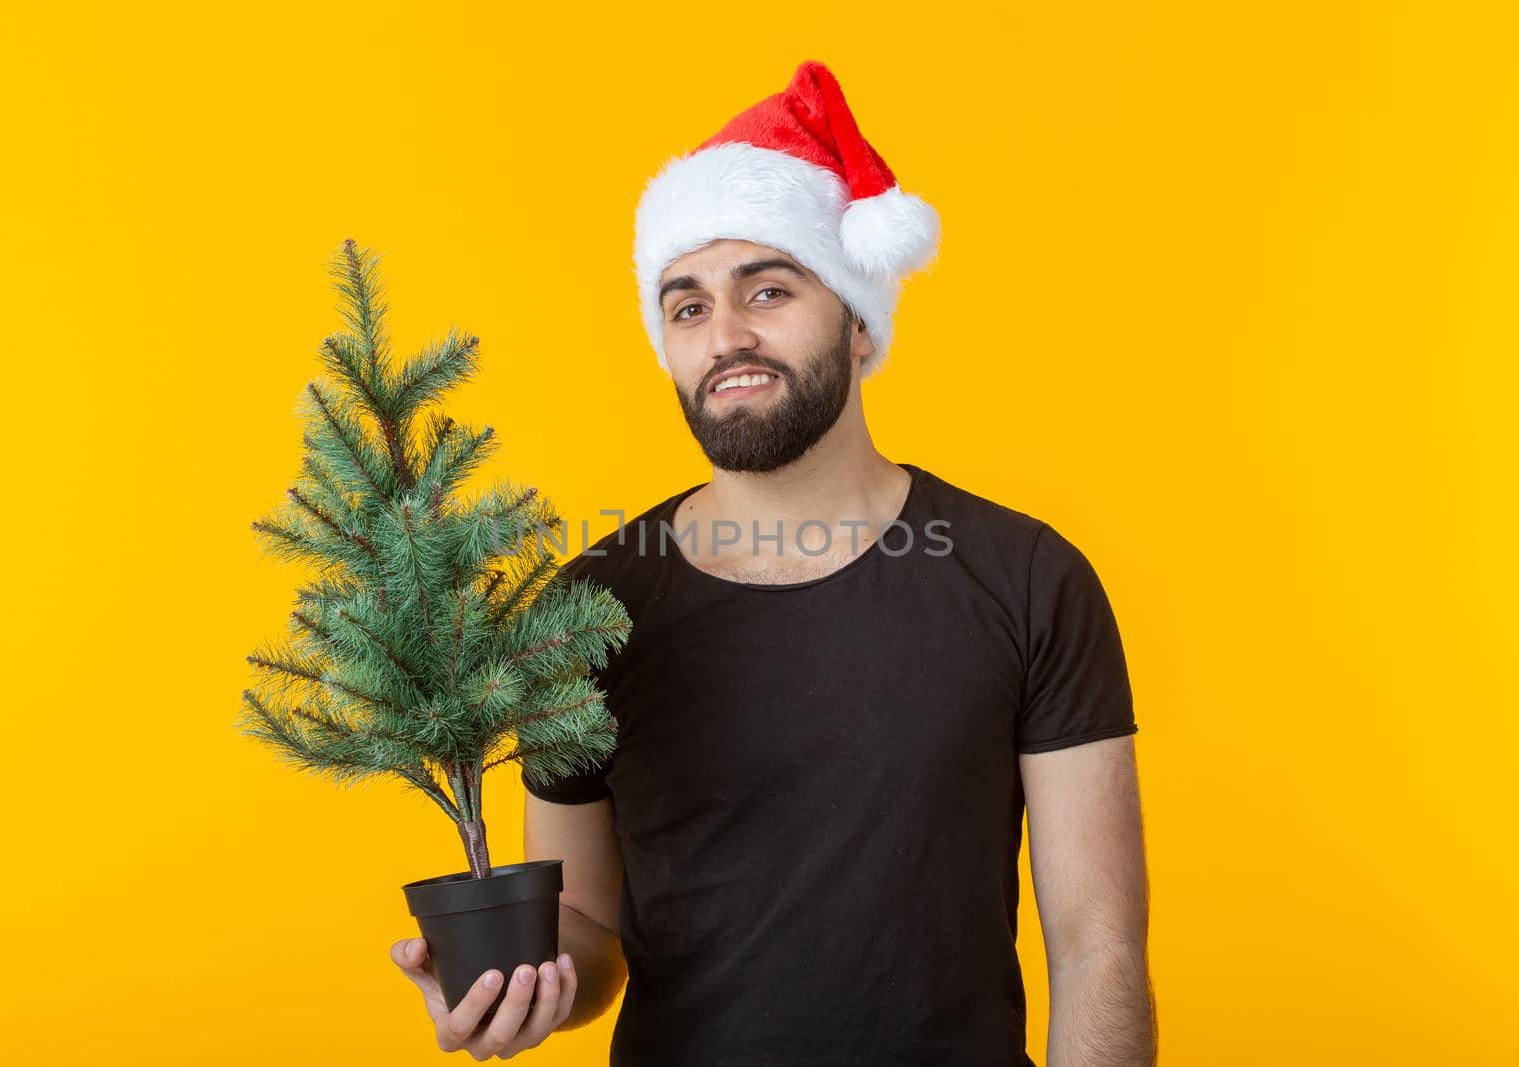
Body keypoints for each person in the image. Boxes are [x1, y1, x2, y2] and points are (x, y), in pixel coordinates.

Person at [391, 59, 1157, 1065]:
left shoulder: (1025, 578)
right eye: (689, 305)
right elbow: (588, 927)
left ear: (860, 327)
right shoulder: (590, 607)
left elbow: (1099, 948)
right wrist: (520, 984)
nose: (729, 335)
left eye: (768, 287)